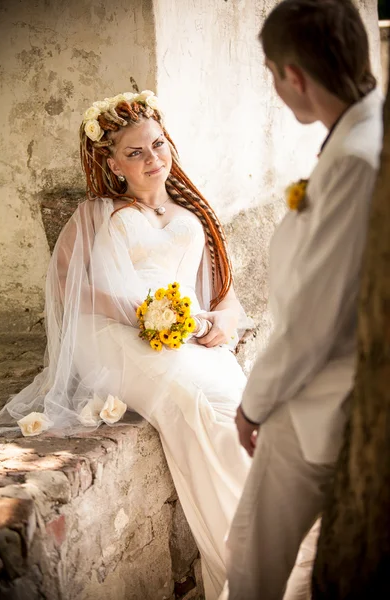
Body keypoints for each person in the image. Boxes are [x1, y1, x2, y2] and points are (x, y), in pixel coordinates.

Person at [0, 89, 254, 599]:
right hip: (114, 337)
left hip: (185, 337)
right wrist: (146, 315)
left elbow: (228, 296)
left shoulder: (192, 215)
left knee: (239, 406)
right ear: (112, 163)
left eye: (158, 145)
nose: (153, 158)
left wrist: (224, 320)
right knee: (197, 404)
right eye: (135, 152)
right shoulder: (94, 215)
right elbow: (68, 288)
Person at [225, 1, 383, 599]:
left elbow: (316, 318)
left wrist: (254, 405)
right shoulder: (358, 133)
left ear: (293, 75)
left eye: (271, 72)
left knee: (252, 558)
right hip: (325, 385)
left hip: (319, 396)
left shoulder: (356, 161)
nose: (274, 86)